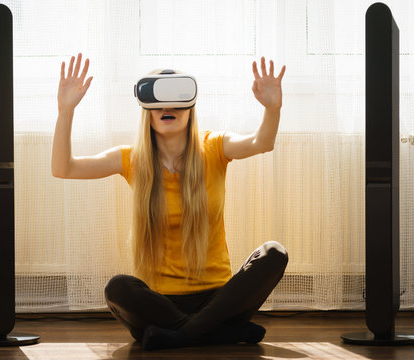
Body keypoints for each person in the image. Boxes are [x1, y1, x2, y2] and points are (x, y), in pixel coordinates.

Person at [52, 53, 289, 350]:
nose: (168, 108)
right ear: (147, 110)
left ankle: (182, 336)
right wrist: (66, 112)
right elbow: (64, 168)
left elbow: (261, 142)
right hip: (160, 303)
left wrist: (272, 109)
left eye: (177, 100)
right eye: (159, 101)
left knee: (273, 253)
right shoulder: (131, 159)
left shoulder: (215, 147)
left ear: (190, 107)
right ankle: (214, 333)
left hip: (219, 299)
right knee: (118, 288)